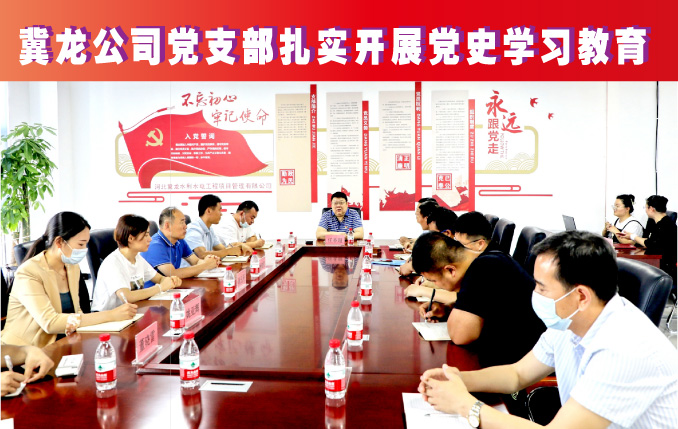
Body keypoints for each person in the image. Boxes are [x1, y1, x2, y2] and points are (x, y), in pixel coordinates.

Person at [419, 231, 678, 428]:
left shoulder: (625, 347)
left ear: (581, 296)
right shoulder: (569, 320)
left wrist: (466, 406)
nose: (535, 294)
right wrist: (459, 379)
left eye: (542, 288)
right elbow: (517, 374)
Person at [2, 212, 137, 347]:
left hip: (62, 342)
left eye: (86, 244)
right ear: (59, 242)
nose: (84, 250)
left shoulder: (71, 267)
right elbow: (50, 322)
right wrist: (111, 315)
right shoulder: (28, 272)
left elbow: (76, 311)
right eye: (81, 244)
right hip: (24, 350)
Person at [411, 232, 545, 368]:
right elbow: (482, 306)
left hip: (523, 367)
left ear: (451, 270)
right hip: (517, 361)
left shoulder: (484, 268)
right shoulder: (490, 258)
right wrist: (447, 309)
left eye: (434, 280)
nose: (436, 285)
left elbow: (460, 335)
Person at [92, 215, 183, 312]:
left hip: (131, 312)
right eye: (146, 235)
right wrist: (160, 288)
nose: (150, 239)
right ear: (131, 238)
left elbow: (160, 278)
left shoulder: (137, 258)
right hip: (109, 317)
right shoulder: (113, 263)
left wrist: (171, 280)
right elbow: (127, 297)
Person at [141, 207, 220, 287]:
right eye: (182, 222)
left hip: (172, 289)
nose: (186, 226)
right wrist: (205, 265)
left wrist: (210, 261)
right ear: (167, 225)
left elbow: (195, 261)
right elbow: (173, 273)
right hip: (153, 293)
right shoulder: (155, 245)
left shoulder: (179, 240)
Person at [620, 195, 677, 283]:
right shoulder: (654, 222)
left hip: (664, 266)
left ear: (651, 209)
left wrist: (633, 236)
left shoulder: (666, 225)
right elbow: (648, 239)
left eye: (645, 207)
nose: (645, 210)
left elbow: (650, 243)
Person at [185, 195, 252, 261]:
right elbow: (202, 254)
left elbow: (222, 249)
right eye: (219, 210)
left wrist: (240, 246)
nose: (221, 214)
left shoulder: (210, 229)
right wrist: (228, 252)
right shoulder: (193, 229)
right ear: (208, 211)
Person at [399, 206, 457, 276]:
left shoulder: (457, 253)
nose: (430, 239)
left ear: (447, 234)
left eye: (433, 234)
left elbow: (441, 269)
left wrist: (413, 266)